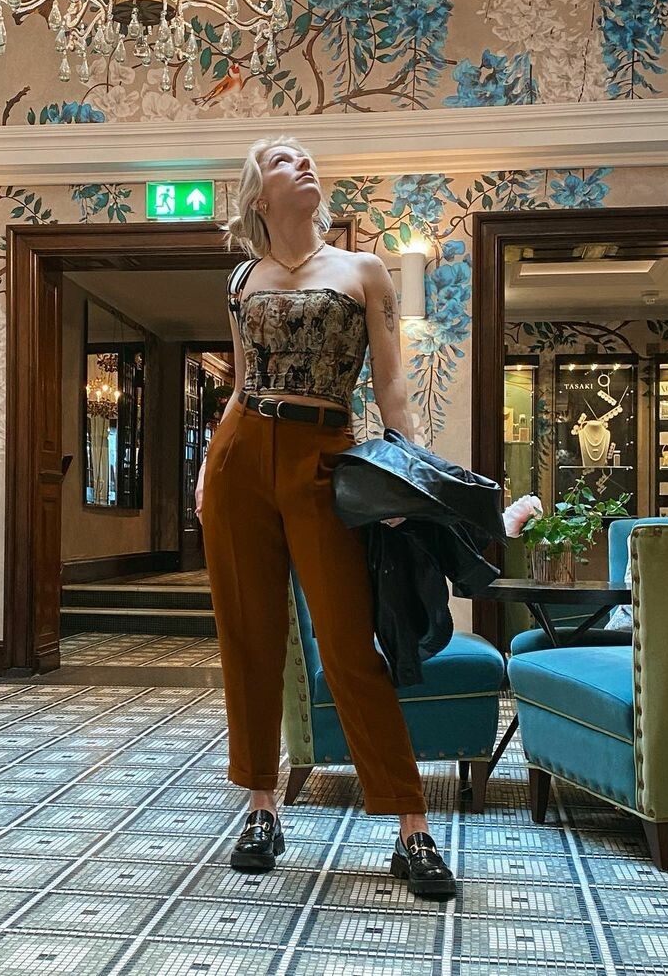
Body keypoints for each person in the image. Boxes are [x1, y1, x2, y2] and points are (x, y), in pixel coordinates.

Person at [195, 135, 455, 898]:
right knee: (249, 637)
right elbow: (240, 385)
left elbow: (392, 386)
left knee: (347, 642)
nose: (302, 163)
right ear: (258, 194)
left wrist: (408, 476)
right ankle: (261, 808)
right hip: (242, 455)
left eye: (305, 157)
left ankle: (411, 824)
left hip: (325, 456)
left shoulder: (363, 270)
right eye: (283, 159)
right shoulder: (242, 279)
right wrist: (210, 466)